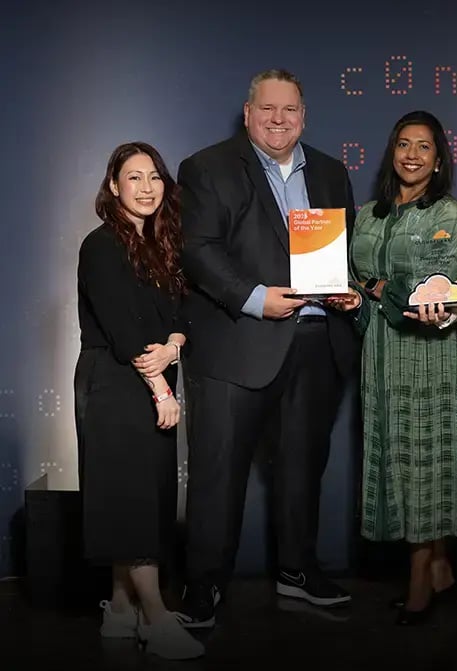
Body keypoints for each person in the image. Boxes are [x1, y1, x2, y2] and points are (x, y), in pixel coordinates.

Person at [174, 69, 361, 628]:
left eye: (291, 110)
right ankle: (203, 586)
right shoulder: (206, 167)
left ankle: (297, 572)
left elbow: (337, 249)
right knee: (218, 472)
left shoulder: (330, 170)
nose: (280, 120)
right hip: (237, 345)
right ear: (248, 112)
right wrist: (255, 298)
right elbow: (198, 250)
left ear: (304, 115)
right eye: (268, 109)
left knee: (303, 469)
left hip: (315, 341)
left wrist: (345, 291)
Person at [349, 110, 457, 625]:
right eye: (403, 144)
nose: (411, 154)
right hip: (378, 353)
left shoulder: (448, 214)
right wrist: (354, 298)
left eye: (423, 147)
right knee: (395, 457)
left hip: (429, 353)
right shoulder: (367, 215)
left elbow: (436, 288)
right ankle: (440, 566)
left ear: (438, 158)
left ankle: (421, 576)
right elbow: (359, 281)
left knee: (427, 457)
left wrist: (380, 289)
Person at [75, 142, 203, 659]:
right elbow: (123, 330)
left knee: (139, 495)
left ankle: (121, 609)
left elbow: (179, 317)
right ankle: (155, 616)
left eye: (154, 177)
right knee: (132, 499)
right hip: (114, 381)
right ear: (113, 186)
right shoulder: (101, 245)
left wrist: (174, 343)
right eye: (134, 178)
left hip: (145, 376)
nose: (147, 187)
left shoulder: (162, 245)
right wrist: (162, 388)